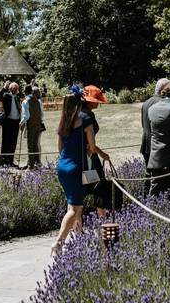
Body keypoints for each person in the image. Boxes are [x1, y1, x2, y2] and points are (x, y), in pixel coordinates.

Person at [53, 86, 109, 254]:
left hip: (62, 167)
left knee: (74, 204)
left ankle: (78, 234)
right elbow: (92, 148)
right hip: (77, 168)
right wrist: (90, 151)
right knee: (74, 209)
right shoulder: (85, 120)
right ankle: (58, 243)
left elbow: (59, 147)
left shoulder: (63, 121)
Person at [81, 85, 113, 216]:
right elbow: (90, 144)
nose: (98, 103)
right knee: (99, 186)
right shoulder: (88, 116)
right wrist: (101, 153)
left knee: (83, 188)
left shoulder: (77, 112)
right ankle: (102, 217)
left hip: (82, 154)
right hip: (90, 156)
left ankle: (79, 222)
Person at [140, 78, 168, 192]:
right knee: (160, 176)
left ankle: (145, 197)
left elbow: (143, 124)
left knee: (148, 173)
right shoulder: (161, 103)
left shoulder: (146, 103)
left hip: (146, 142)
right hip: (157, 144)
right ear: (163, 89)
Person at [0, 81, 23, 167]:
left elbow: (19, 107)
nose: (17, 90)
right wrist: (4, 87)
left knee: (13, 141)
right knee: (6, 141)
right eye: (15, 89)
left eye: (17, 88)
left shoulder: (16, 97)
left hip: (16, 121)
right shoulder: (6, 95)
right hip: (7, 121)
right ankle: (4, 160)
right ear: (11, 89)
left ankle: (11, 160)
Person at [19, 85, 44, 168]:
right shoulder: (37, 100)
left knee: (30, 145)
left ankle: (31, 165)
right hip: (38, 124)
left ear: (25, 91)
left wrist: (21, 123)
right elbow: (41, 114)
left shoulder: (26, 101)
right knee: (35, 145)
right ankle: (37, 163)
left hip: (31, 125)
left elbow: (26, 116)